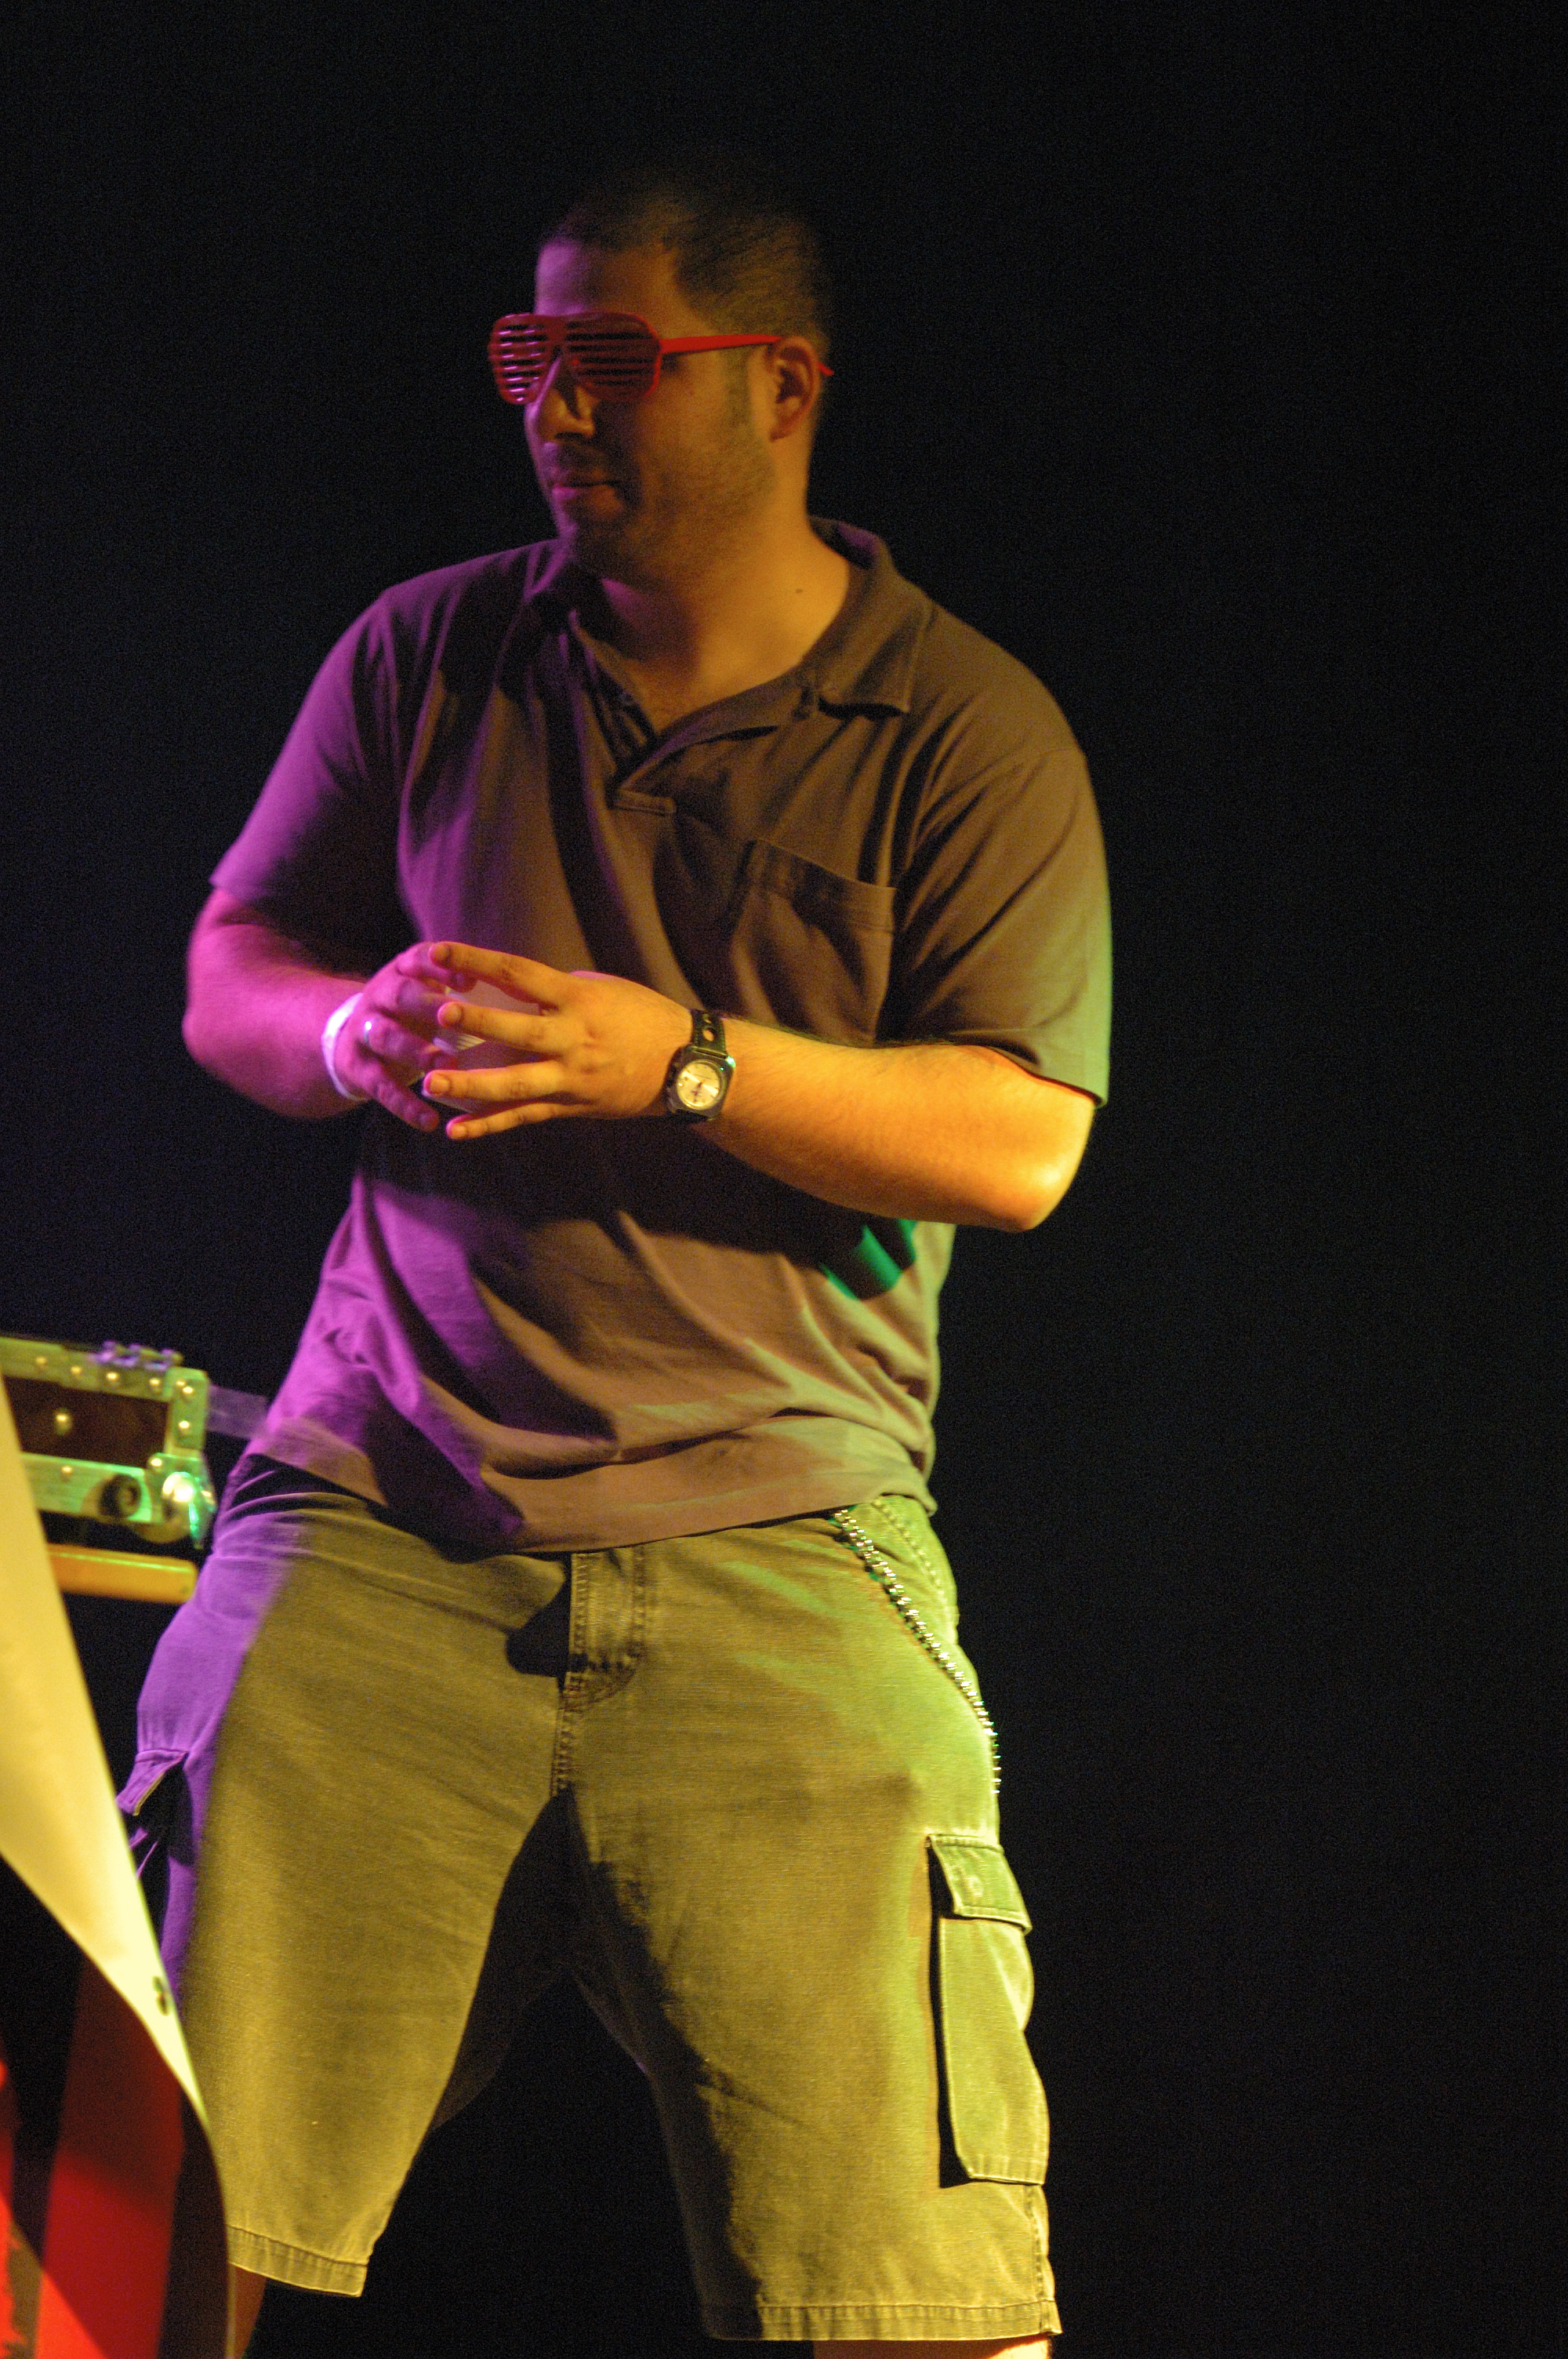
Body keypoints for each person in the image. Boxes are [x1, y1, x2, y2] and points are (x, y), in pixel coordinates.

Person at [126, 155, 1109, 2358]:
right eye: (529, 358)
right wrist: (344, 1032)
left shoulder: (961, 727)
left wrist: (682, 1062)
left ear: (782, 387)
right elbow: (233, 965)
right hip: (383, 1510)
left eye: (613, 361)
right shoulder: (435, 650)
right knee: (140, 2205)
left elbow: (1022, 1138)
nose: (555, 410)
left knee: (912, 2289)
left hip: (778, 1533)